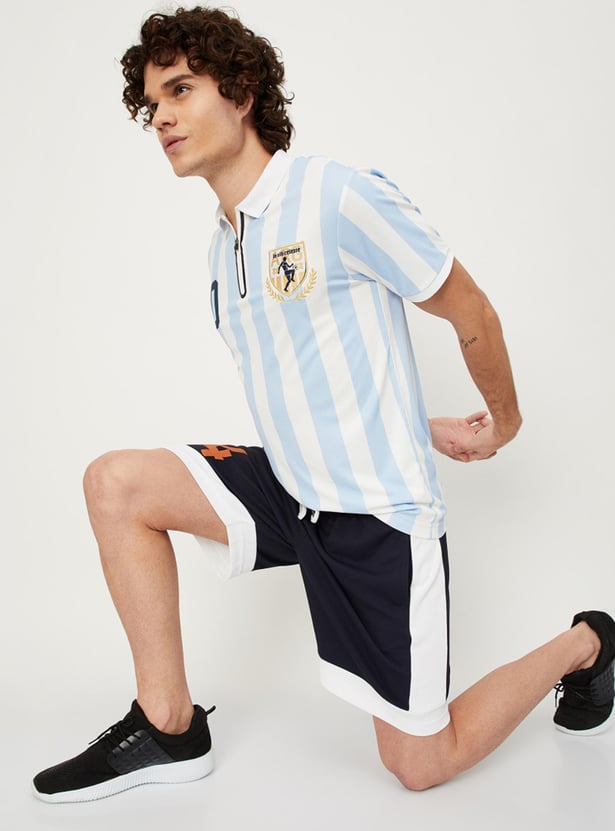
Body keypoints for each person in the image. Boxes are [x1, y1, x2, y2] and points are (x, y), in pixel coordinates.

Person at [33, 6, 615, 803]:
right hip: (292, 488)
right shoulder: (223, 245)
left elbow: (469, 308)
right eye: (153, 102)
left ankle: (587, 643)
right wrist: (413, 421)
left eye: (181, 89)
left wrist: (504, 421)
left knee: (420, 763)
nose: (161, 115)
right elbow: (310, 373)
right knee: (117, 484)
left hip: (376, 516)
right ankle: (168, 724)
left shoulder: (336, 196)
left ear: (241, 93)